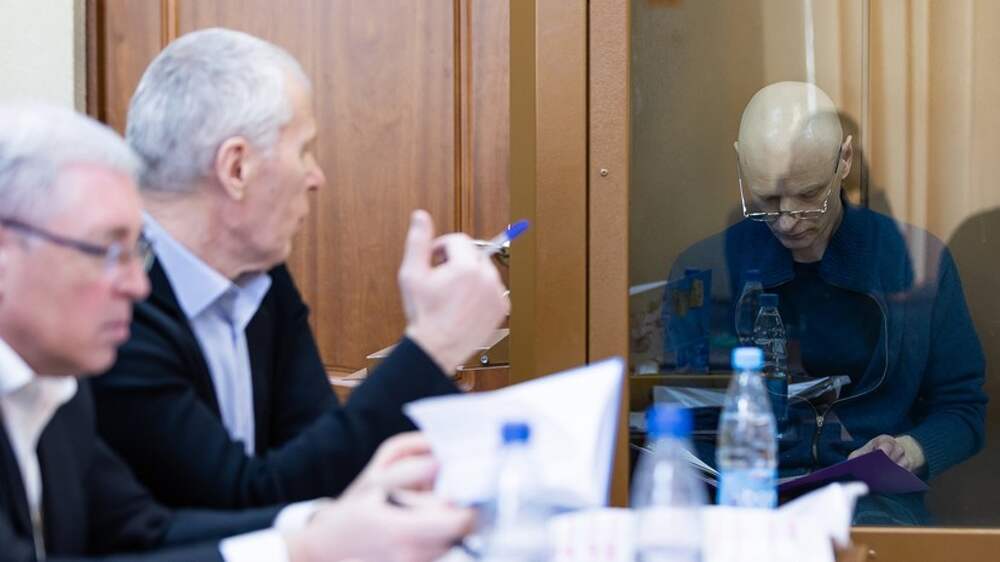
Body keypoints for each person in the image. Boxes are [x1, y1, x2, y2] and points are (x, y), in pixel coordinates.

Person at [0, 103, 475, 561]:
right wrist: (302, 551)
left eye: (135, 252)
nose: (137, 285)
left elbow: (141, 532)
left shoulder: (58, 392)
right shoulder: (84, 366)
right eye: (106, 252)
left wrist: (321, 523)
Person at [90, 27, 510, 509]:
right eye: (304, 150)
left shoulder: (258, 272)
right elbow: (244, 499)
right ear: (237, 168)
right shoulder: (114, 307)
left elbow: (320, 463)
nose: (316, 176)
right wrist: (435, 344)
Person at [665, 81, 987, 524]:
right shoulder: (705, 269)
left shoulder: (915, 262)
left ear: (845, 160)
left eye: (809, 195)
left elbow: (963, 408)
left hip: (872, 504)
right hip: (742, 498)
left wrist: (909, 450)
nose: (787, 221)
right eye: (767, 199)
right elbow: (675, 411)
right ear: (740, 163)